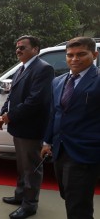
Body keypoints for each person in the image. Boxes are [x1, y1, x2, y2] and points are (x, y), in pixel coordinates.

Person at [0, 35, 55, 219]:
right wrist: (3, 113)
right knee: (22, 165)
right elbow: (13, 96)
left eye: (23, 47)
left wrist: (9, 116)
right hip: (19, 127)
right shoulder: (22, 68)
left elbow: (35, 101)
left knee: (31, 168)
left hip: (31, 128)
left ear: (36, 49)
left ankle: (29, 205)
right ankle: (20, 196)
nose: (18, 50)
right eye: (17, 47)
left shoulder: (43, 69)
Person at [41, 37, 100, 219]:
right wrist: (47, 141)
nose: (74, 59)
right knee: (68, 195)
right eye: (70, 55)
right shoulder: (58, 82)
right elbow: (54, 113)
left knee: (78, 205)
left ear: (94, 54)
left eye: (81, 54)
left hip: (85, 152)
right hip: (60, 150)